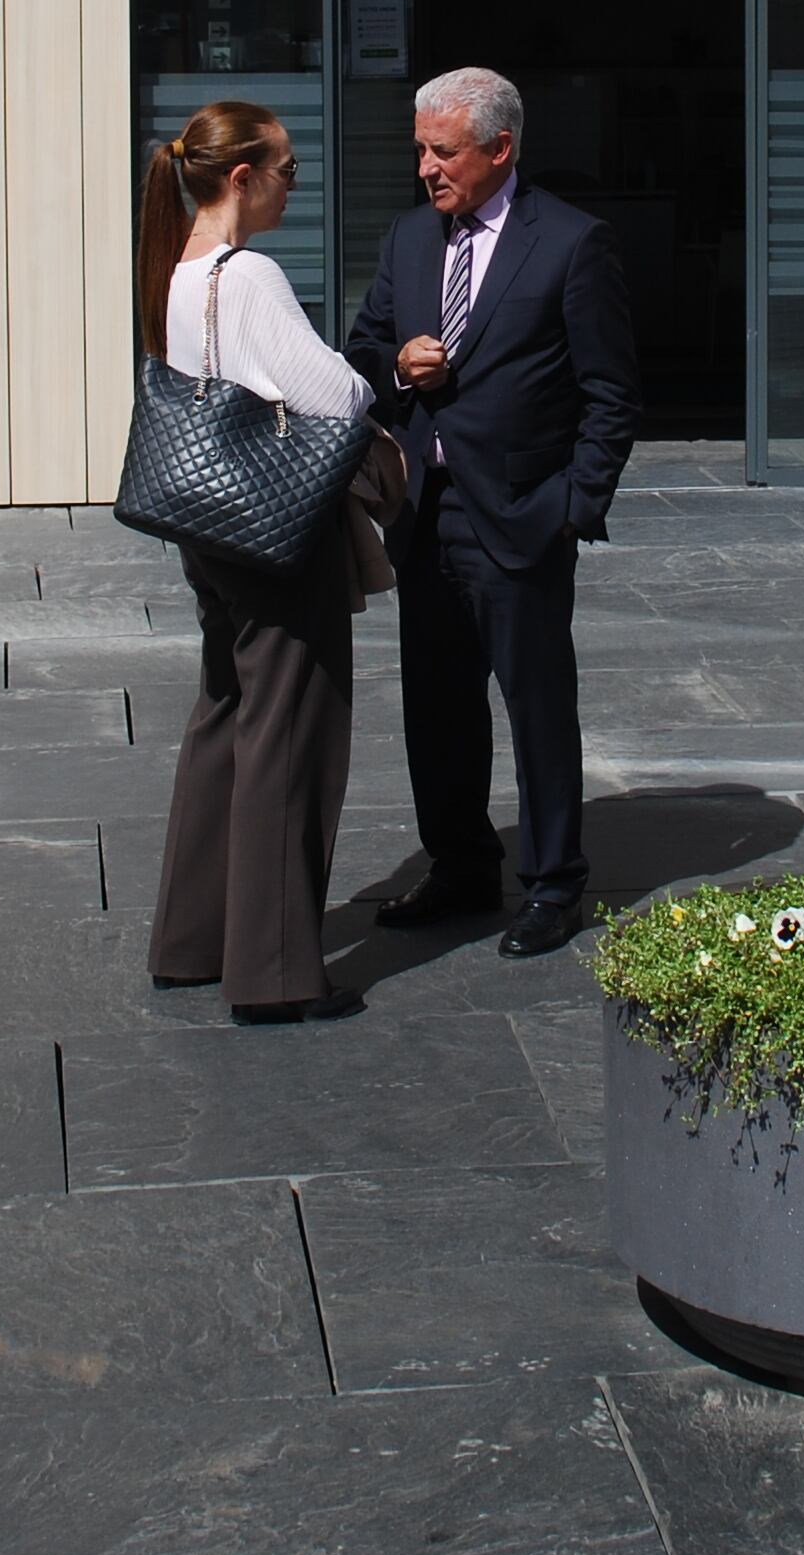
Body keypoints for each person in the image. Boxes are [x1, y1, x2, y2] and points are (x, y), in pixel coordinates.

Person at [343, 67, 640, 959]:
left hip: (521, 519)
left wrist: (572, 506)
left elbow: (610, 394)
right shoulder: (408, 241)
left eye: (444, 151)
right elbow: (360, 354)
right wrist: (400, 366)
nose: (427, 169)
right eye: (420, 151)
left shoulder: (572, 245)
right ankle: (462, 867)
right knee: (437, 709)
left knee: (538, 708)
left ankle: (554, 884)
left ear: (500, 149)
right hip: (427, 515)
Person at [134, 101, 395, 1025]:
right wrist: (377, 374)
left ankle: (192, 942)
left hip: (207, 527)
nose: (295, 185)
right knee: (291, 735)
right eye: (287, 169)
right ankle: (277, 971)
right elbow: (333, 391)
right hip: (280, 534)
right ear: (240, 178)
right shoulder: (249, 276)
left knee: (225, 719)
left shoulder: (173, 270)